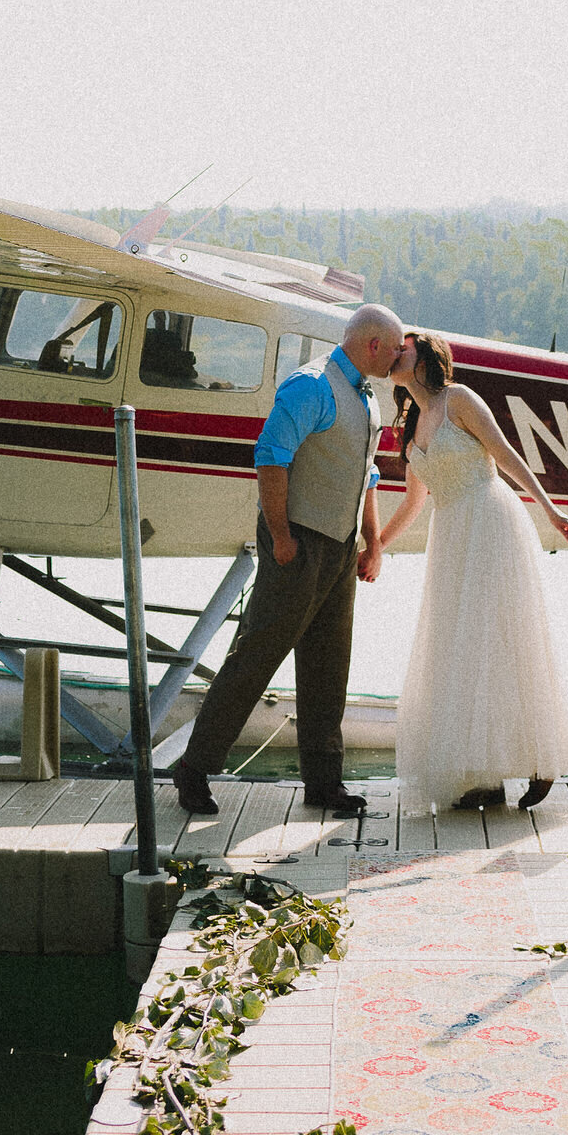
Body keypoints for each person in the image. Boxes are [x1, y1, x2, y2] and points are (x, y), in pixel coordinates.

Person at [171, 303, 407, 819]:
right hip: (298, 542)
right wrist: (279, 535)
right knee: (256, 657)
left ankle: (324, 783)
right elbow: (270, 457)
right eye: (395, 349)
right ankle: (193, 768)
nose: (399, 358)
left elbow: (366, 478)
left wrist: (373, 544)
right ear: (372, 345)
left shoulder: (366, 398)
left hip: (340, 548)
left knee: (328, 667)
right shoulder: (311, 386)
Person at [380, 329, 568, 812]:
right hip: (451, 537)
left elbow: (504, 454)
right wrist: (375, 546)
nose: (395, 351)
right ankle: (481, 774)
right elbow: (413, 503)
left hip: (488, 520)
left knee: (504, 638)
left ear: (425, 358)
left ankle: (543, 759)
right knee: (460, 648)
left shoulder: (457, 399)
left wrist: (549, 509)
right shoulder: (414, 424)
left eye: (404, 346)